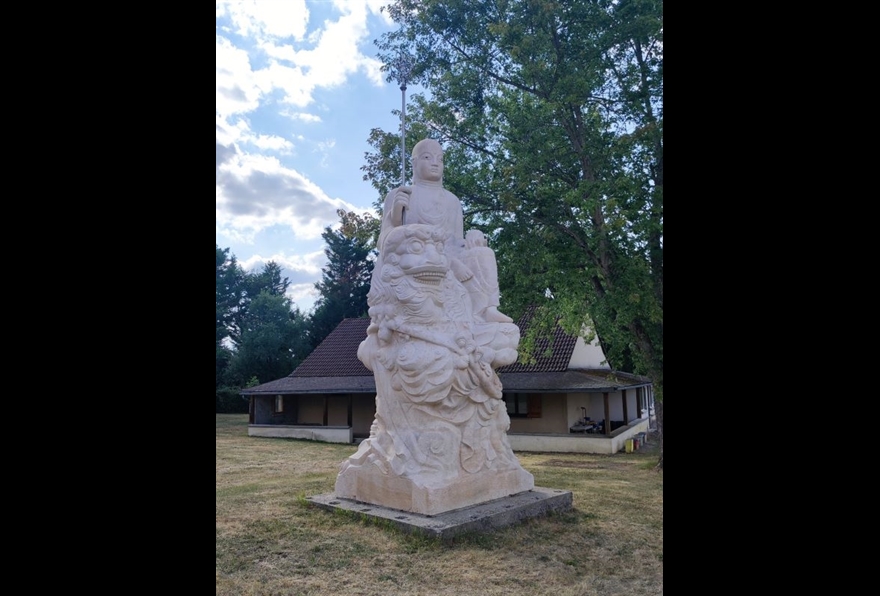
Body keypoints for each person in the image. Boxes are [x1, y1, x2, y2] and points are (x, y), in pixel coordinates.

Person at [378, 138, 512, 324]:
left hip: (450, 253)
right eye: (427, 157)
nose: (435, 163)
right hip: (420, 257)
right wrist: (395, 217)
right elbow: (385, 244)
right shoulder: (400, 194)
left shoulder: (452, 201)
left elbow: (456, 241)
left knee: (484, 252)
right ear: (414, 163)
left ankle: (487, 309)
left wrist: (473, 236)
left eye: (439, 159)